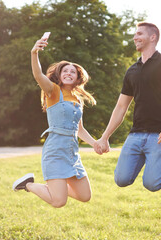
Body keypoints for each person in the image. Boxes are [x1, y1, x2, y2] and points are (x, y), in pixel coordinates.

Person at [94, 22, 161, 192]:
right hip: (135, 134)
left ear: (152, 37)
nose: (135, 37)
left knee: (152, 184)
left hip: (160, 135)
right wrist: (105, 136)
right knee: (121, 179)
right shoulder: (132, 71)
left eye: (140, 34)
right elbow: (121, 106)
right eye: (135, 34)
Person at [12, 33, 99, 208]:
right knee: (58, 201)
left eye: (72, 71)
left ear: (77, 77)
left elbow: (80, 130)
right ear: (59, 75)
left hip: (72, 153)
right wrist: (34, 53)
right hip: (56, 150)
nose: (69, 73)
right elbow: (38, 75)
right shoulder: (54, 91)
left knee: (85, 195)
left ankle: (55, 188)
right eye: (65, 71)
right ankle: (27, 184)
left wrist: (95, 144)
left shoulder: (78, 100)